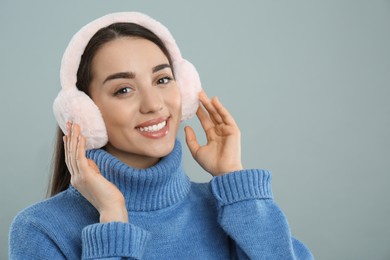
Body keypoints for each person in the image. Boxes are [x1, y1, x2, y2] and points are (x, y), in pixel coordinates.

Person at [9, 12, 313, 259]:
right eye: (123, 89)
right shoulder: (39, 229)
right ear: (84, 112)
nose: (154, 104)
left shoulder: (234, 210)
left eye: (163, 79)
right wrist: (113, 218)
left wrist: (236, 182)